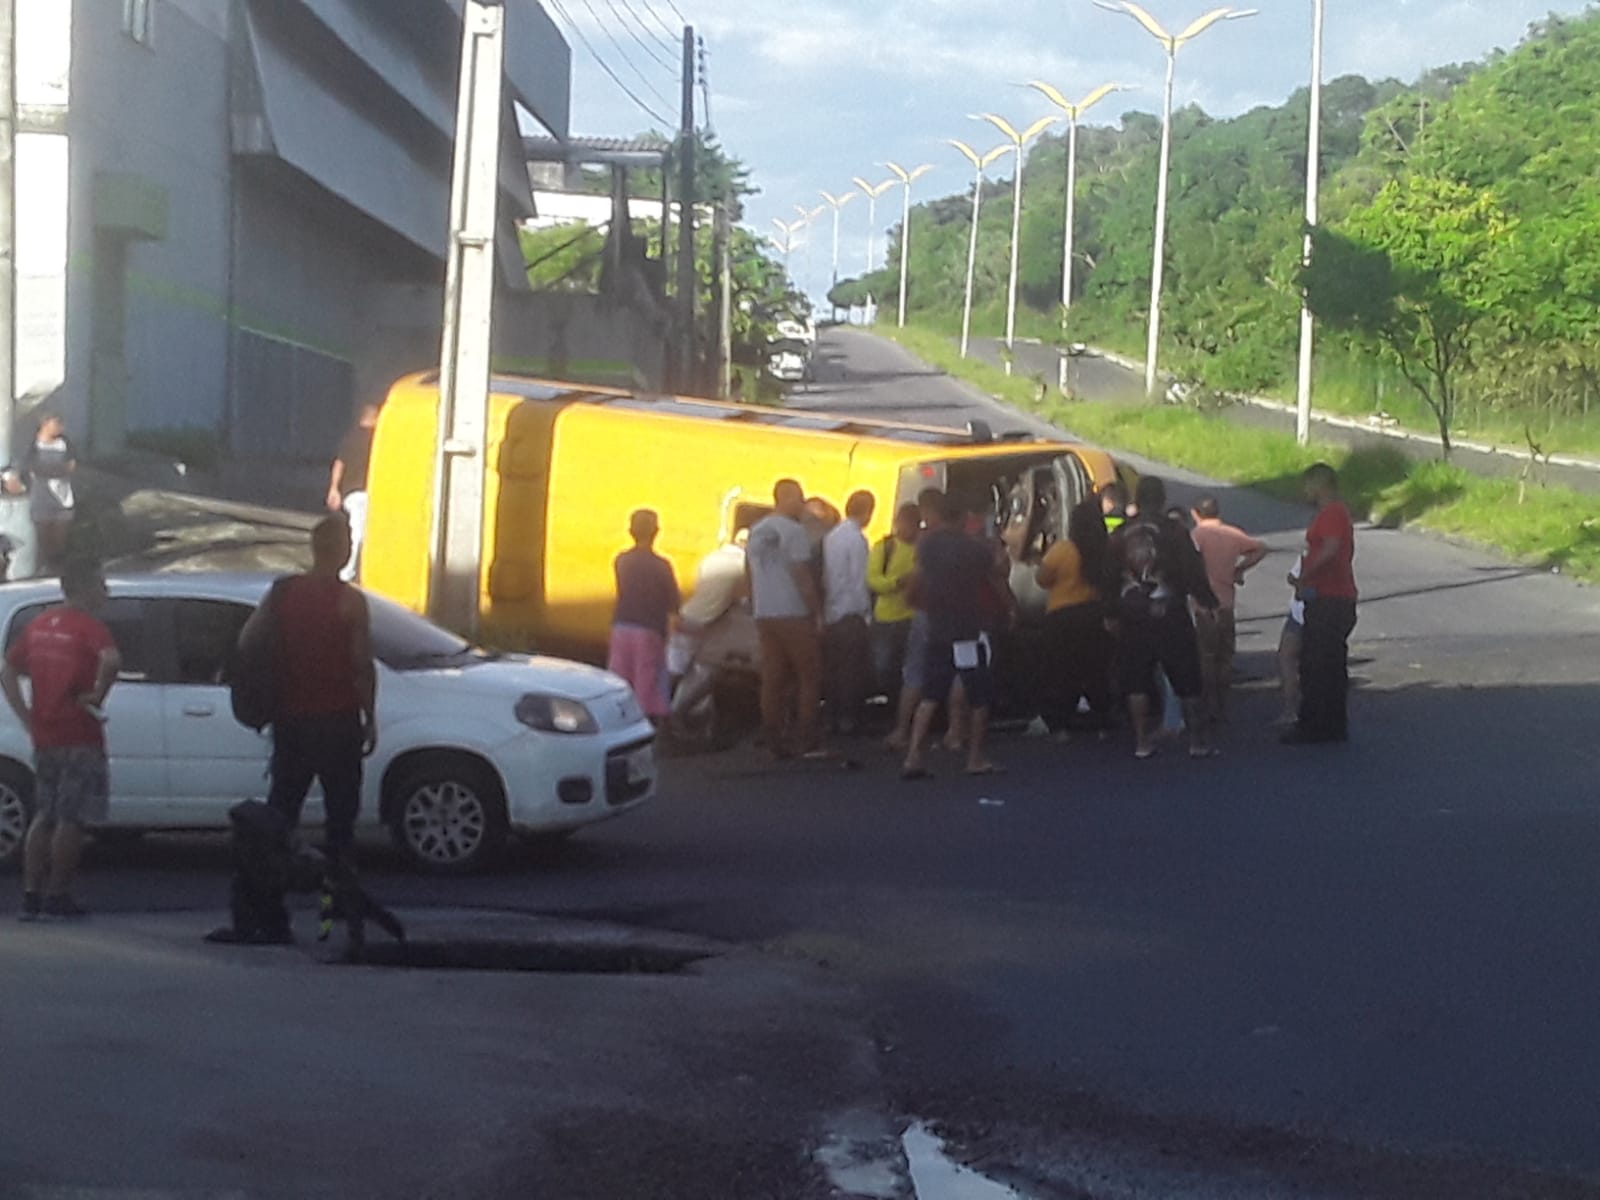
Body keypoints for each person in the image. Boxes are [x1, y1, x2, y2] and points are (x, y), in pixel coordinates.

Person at [239, 517, 377, 927]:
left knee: (282, 813)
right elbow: (361, 666)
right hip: (337, 722)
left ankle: (267, 904)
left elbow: (248, 642)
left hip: (291, 721)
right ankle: (335, 911)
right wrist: (370, 717)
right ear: (341, 549)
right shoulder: (350, 601)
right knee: (340, 822)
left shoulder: (282, 593)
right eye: (349, 541)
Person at [3, 559, 119, 920]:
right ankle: (58, 895)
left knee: (45, 815)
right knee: (71, 819)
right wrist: (98, 694)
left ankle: (31, 895)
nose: (106, 592)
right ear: (84, 589)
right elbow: (112, 660)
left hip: (45, 734)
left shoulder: (38, 625)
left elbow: (8, 667)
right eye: (101, 585)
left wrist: (24, 713)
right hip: (79, 733)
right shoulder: (90, 628)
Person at [1109, 475, 1220, 760]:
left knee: (1136, 678)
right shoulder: (1175, 531)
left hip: (1132, 612)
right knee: (1187, 676)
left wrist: (1110, 611)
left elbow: (1107, 576)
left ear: (1137, 499)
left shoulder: (1120, 534)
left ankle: (1142, 741)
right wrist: (1207, 601)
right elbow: (1192, 569)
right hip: (1170, 612)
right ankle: (1197, 741)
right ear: (1162, 499)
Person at [902, 491, 1000, 779]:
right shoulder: (976, 550)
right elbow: (994, 576)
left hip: (937, 627)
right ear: (963, 517)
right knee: (979, 695)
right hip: (967, 630)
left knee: (930, 694)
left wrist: (915, 601)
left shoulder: (926, 545)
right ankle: (975, 758)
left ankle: (913, 757)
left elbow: (917, 578)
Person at [747, 479, 825, 759]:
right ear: (786, 497)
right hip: (792, 611)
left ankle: (772, 735)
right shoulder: (794, 531)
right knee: (809, 674)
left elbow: (749, 573)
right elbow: (802, 576)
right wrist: (816, 612)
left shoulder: (756, 531)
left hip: (765, 612)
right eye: (799, 498)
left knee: (773, 676)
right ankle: (806, 737)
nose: (802, 504)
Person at [1284, 462, 1358, 744]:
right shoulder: (1332, 513)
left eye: (1307, 484)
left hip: (1330, 597)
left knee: (1317, 663)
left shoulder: (1332, 514)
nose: (1304, 491)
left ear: (1320, 485)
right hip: (1327, 595)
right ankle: (1329, 724)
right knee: (1327, 663)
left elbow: (1329, 550)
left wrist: (1306, 576)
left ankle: (1316, 724)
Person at [1035, 499, 1114, 741]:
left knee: (1061, 671)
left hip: (1062, 616)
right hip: (1094, 614)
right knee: (1095, 670)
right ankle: (1104, 722)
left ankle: (1060, 725)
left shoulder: (1063, 550)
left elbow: (1042, 579)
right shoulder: (1106, 550)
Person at [1189, 495, 1268, 726]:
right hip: (1226, 604)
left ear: (1196, 514)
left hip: (1203, 605)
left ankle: (1208, 704)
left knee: (1206, 657)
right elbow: (1260, 548)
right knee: (1224, 658)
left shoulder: (1196, 536)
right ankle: (1222, 706)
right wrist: (1239, 569)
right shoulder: (1232, 534)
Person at [608, 509, 681, 723]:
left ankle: (618, 720)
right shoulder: (662, 565)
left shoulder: (621, 560)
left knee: (619, 677)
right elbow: (673, 604)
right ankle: (644, 725)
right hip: (649, 629)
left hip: (621, 624)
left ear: (630, 531)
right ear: (657, 532)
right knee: (647, 679)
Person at [822, 490, 875, 735]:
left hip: (831, 611)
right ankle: (849, 719)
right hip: (851, 613)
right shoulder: (857, 540)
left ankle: (832, 717)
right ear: (867, 512)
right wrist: (866, 613)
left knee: (833, 669)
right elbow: (860, 579)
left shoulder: (832, 536)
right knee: (852, 671)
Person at [869, 503, 921, 749]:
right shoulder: (884, 547)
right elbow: (872, 580)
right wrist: (897, 583)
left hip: (912, 617)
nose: (907, 529)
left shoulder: (922, 549)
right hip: (886, 617)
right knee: (884, 668)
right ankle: (892, 709)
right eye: (904, 523)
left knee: (910, 671)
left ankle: (906, 718)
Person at [326, 404, 380, 583]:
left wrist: (334, 489)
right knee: (360, 533)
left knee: (358, 530)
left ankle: (354, 570)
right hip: (365, 492)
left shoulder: (350, 438)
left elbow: (339, 463)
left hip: (351, 492)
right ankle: (350, 572)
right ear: (374, 418)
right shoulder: (378, 439)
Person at [23, 412, 77, 577]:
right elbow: (33, 468)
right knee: (44, 541)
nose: (61, 427)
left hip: (64, 501)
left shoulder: (65, 443)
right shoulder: (34, 445)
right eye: (57, 423)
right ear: (45, 424)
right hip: (40, 501)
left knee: (60, 542)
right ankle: (43, 571)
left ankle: (58, 571)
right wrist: (55, 470)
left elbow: (71, 467)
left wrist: (50, 470)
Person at [1277, 560, 1305, 727]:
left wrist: (1300, 583)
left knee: (1286, 658)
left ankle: (1290, 710)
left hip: (1300, 613)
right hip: (1326, 609)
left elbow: (1292, 576)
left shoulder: (1310, 554)